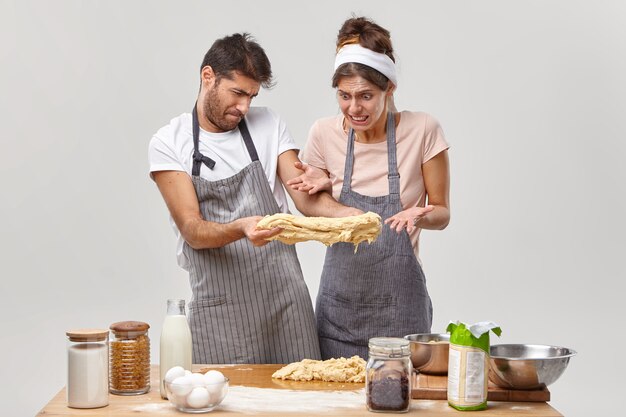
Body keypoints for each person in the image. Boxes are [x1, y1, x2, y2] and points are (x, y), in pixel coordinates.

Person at [149, 33, 359, 364]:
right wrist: (242, 228)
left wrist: (348, 213)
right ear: (208, 77)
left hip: (285, 302)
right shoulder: (169, 142)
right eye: (237, 93)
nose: (245, 107)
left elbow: (305, 200)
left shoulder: (268, 124)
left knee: (302, 403)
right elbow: (192, 229)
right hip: (220, 310)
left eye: (252, 96)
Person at [287, 17, 451, 360]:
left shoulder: (423, 130)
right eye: (344, 96)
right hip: (339, 313)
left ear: (389, 88)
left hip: (402, 312)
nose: (353, 109)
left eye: (365, 96)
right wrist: (324, 183)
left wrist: (419, 216)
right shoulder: (323, 133)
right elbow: (311, 204)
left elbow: (442, 212)